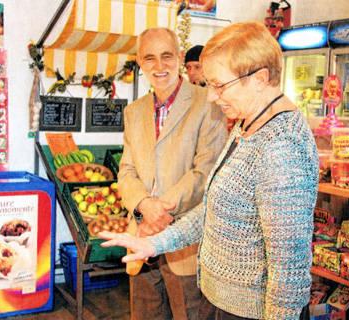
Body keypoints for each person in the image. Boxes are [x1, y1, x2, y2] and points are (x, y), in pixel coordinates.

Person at [101, 21, 319, 320]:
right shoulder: (247, 126)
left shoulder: (283, 142)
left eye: (219, 85)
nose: (213, 96)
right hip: (219, 300)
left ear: (260, 78)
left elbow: (289, 269)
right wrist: (154, 243)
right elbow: (213, 210)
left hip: (247, 311)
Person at [117, 27, 228, 320]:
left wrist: (159, 213)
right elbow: (127, 171)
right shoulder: (133, 111)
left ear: (180, 57)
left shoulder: (209, 103)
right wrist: (144, 206)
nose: (159, 66)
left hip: (186, 244)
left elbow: (205, 172)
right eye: (149, 58)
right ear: (139, 62)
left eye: (166, 56)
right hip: (140, 238)